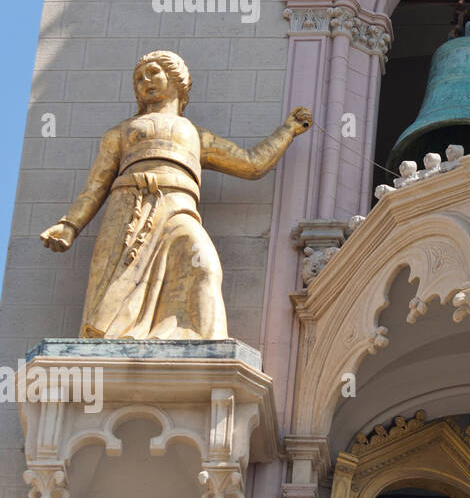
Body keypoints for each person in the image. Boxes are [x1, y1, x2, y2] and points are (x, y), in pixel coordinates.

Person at [39, 50, 312, 340]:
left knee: (204, 266)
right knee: (118, 279)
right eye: (139, 78)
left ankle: (202, 341)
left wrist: (287, 131)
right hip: (127, 212)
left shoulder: (196, 135)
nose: (146, 81)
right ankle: (118, 337)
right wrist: (69, 225)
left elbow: (251, 164)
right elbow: (95, 186)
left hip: (178, 210)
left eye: (154, 72)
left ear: (177, 79)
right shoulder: (120, 133)